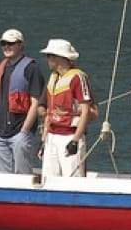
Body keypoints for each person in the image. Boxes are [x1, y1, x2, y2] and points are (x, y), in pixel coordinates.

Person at [0, 28, 46, 174]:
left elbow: (35, 103)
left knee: (23, 175)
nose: (6, 47)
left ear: (20, 45)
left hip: (20, 131)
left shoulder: (31, 69)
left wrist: (25, 130)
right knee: (2, 176)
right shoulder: (0, 67)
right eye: (4, 44)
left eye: (11, 43)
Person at [40, 38, 96, 178]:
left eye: (49, 56)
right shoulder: (53, 77)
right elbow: (49, 112)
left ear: (59, 58)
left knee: (72, 179)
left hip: (70, 134)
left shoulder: (78, 78)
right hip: (52, 136)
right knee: (49, 179)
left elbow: (85, 111)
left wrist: (75, 140)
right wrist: (44, 140)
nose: (47, 60)